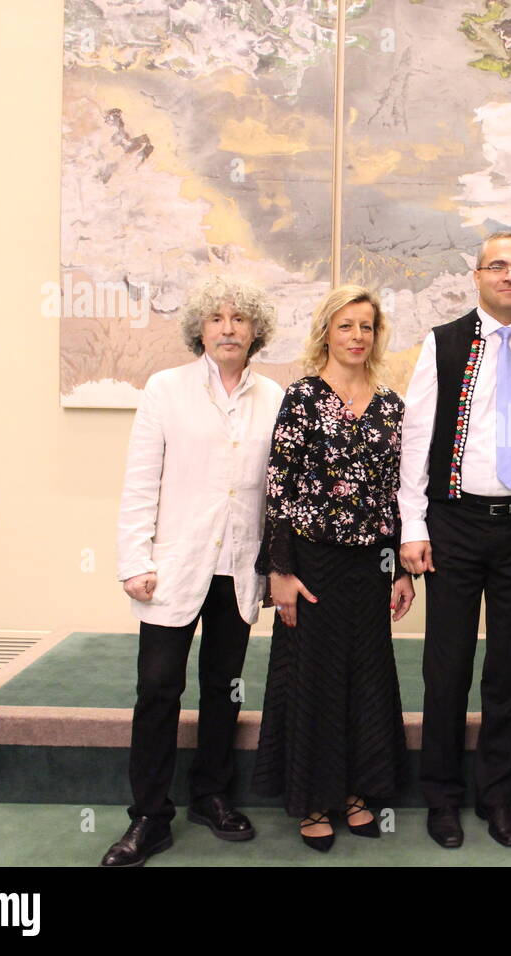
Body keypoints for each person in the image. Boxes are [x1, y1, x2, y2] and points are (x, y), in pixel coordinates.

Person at [398, 232, 511, 849]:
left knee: (510, 668)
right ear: (476, 276)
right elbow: (416, 439)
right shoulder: (442, 345)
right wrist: (413, 526)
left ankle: (496, 797)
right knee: (446, 668)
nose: (509, 276)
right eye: (498, 266)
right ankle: (442, 797)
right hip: (453, 523)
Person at [103, 276, 285, 867]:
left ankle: (211, 794)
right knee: (158, 689)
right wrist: (135, 559)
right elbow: (139, 481)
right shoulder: (166, 389)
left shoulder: (275, 397)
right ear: (199, 330)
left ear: (255, 331)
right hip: (174, 566)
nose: (228, 328)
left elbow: (276, 495)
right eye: (216, 318)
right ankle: (150, 818)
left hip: (237, 567)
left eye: (239, 318)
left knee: (223, 686)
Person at [251, 285, 415, 853]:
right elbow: (279, 488)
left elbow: (398, 494)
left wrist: (401, 572)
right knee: (315, 679)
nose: (356, 337)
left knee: (367, 677)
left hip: (372, 565)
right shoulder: (301, 397)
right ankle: (315, 800)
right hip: (311, 564)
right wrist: (280, 571)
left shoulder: (393, 405)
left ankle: (357, 791)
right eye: (346, 326)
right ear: (327, 331)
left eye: (366, 327)